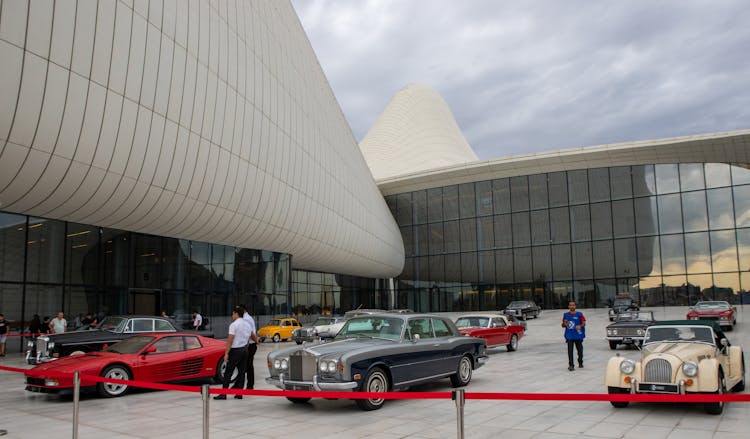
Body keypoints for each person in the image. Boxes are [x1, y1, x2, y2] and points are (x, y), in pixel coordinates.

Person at [214, 306, 251, 400]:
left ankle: (223, 394)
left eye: (233, 313)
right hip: (244, 350)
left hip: (235, 350)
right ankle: (239, 394)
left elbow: (230, 340)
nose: (232, 315)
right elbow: (248, 338)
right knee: (242, 372)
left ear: (236, 314)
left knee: (228, 372)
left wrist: (226, 353)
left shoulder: (234, 325)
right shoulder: (247, 325)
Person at [239, 305, 260, 390]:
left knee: (247, 366)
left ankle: (249, 385)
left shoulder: (246, 319)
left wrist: (249, 342)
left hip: (249, 345)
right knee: (247, 366)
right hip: (250, 344)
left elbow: (249, 332)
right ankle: (247, 385)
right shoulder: (247, 318)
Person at [562, 301, 585, 371]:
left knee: (580, 350)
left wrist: (580, 326)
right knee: (570, 351)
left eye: (573, 305)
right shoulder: (565, 315)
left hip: (578, 335)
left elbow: (584, 323)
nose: (572, 307)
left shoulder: (579, 314)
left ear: (575, 306)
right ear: (568, 307)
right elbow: (563, 325)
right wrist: (564, 324)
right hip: (569, 336)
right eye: (570, 305)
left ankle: (580, 361)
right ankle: (571, 365)